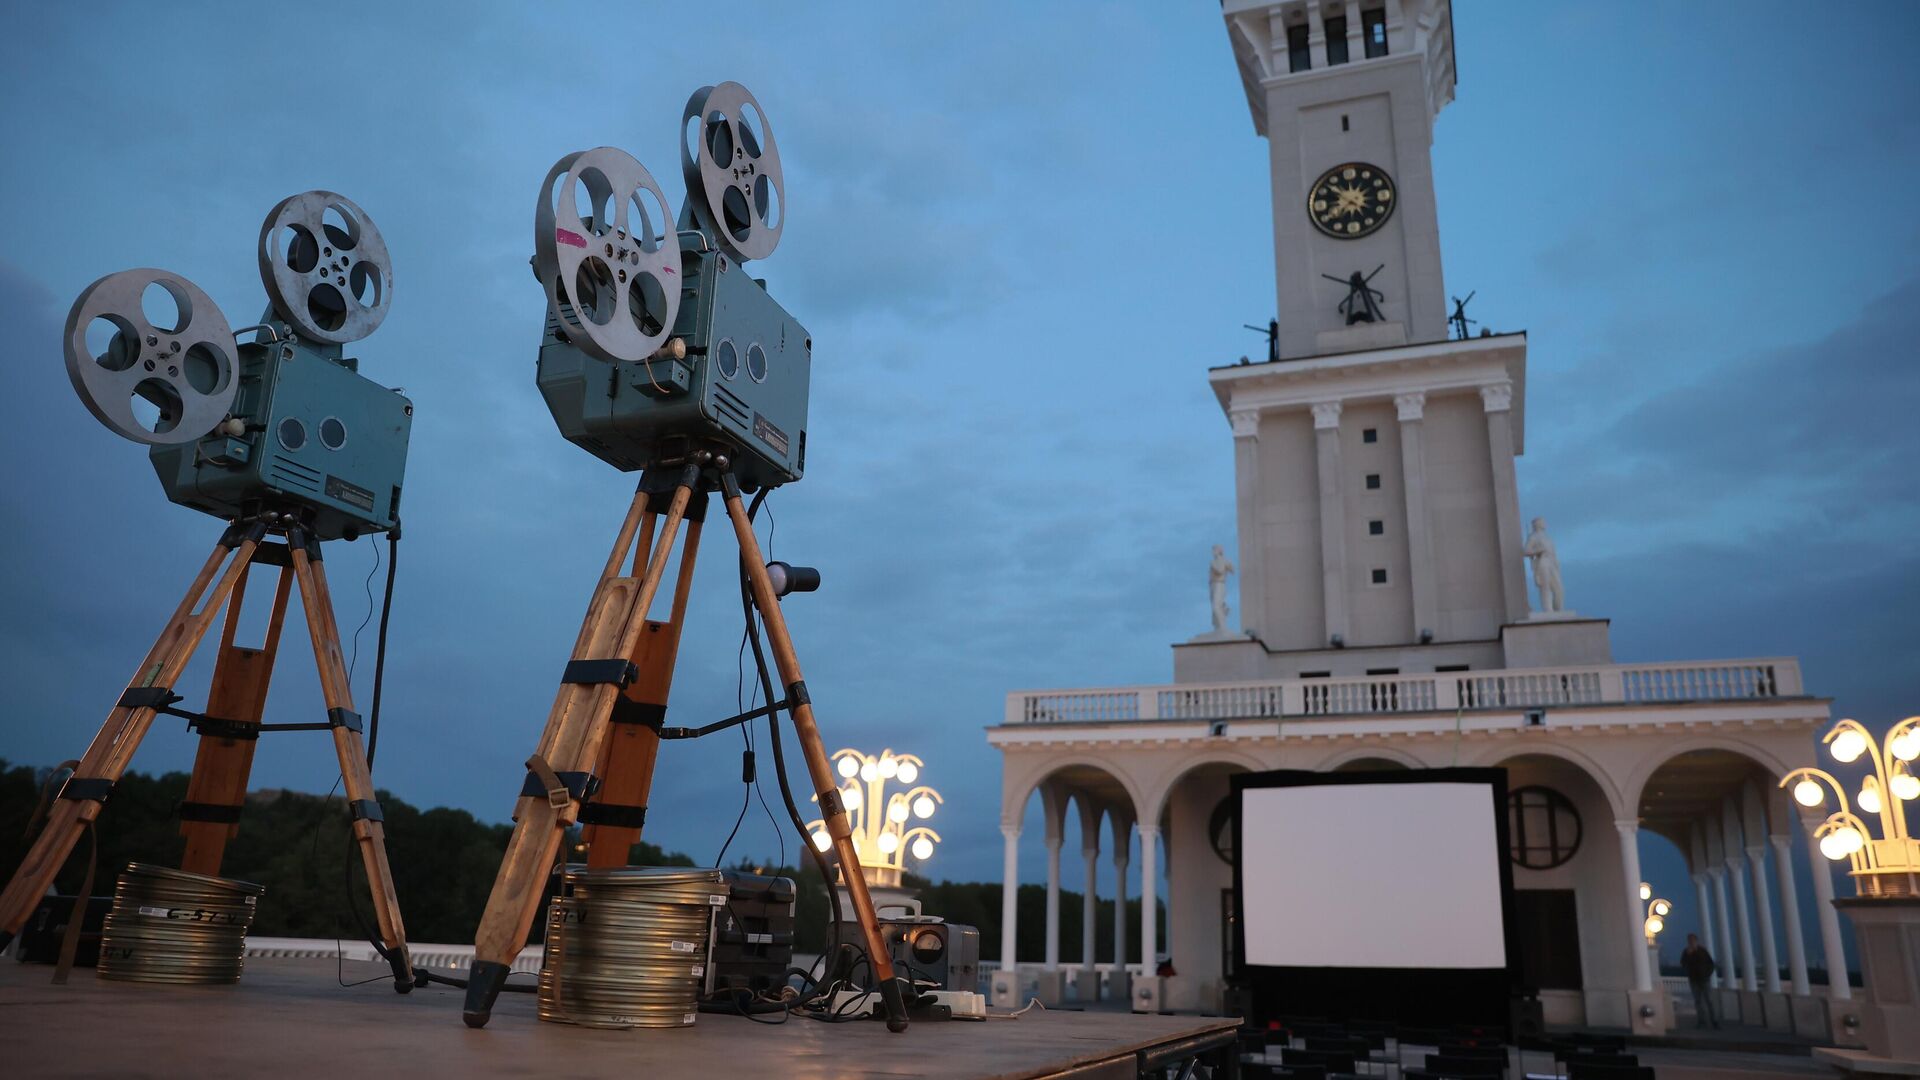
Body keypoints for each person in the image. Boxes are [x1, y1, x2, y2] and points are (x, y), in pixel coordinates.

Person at [1681, 933, 1719, 1029]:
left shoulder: (1702, 951)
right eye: (1690, 941)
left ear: (1696, 941)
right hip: (1694, 979)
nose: (1691, 942)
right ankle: (1702, 1021)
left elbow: (1711, 964)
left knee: (1709, 1000)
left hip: (1704, 979)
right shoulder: (1686, 952)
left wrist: (1707, 974)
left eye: (1692, 940)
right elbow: (1683, 963)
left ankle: (1714, 1021)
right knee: (1698, 1001)